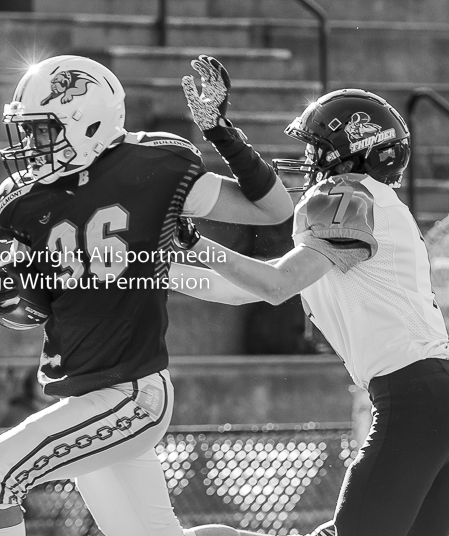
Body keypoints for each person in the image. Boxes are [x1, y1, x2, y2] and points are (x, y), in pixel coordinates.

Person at [0, 54, 292, 536]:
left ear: (87, 125)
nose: (29, 145)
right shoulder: (22, 202)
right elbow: (38, 302)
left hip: (132, 393)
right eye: (25, 132)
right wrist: (1, 303)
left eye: (41, 131)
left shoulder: (153, 169)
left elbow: (274, 210)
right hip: (82, 393)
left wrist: (220, 132)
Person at [170, 68, 449, 536]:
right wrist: (156, 271)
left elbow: (276, 285)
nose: (309, 162)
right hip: (427, 396)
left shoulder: (347, 194)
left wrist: (196, 243)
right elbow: (247, 287)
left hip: (413, 399)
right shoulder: (368, 213)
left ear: (349, 158)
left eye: (316, 151)